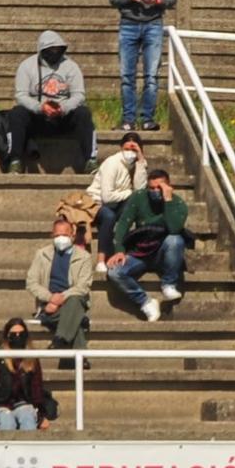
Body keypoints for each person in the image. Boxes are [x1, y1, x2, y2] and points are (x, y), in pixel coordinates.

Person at [3, 31, 97, 174]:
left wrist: (64, 107)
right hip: (38, 117)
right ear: (42, 50)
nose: (54, 53)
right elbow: (21, 95)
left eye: (58, 49)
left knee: (84, 113)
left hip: (63, 117)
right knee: (17, 113)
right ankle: (15, 161)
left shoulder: (71, 66)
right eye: (50, 50)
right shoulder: (26, 66)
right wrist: (40, 107)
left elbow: (79, 94)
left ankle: (90, 161)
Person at [109, 0, 176, 132]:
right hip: (128, 24)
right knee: (127, 76)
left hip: (153, 24)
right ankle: (128, 120)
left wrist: (157, 1)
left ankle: (148, 119)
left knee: (151, 76)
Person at [108, 168, 186, 321]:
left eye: (160, 187)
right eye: (152, 188)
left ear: (169, 186)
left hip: (164, 252)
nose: (155, 191)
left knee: (175, 240)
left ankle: (169, 284)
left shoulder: (178, 204)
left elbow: (174, 228)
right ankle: (146, 302)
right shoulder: (138, 197)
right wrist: (119, 250)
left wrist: (168, 200)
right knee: (114, 272)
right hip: (141, 251)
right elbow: (123, 223)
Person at [26, 217, 95, 356]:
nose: (61, 238)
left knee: (75, 300)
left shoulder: (84, 257)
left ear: (72, 235)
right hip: (49, 306)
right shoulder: (42, 254)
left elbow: (83, 286)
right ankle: (80, 360)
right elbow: (31, 282)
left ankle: (60, 339)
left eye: (64, 235)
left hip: (71, 301)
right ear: (52, 236)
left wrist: (61, 299)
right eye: (57, 235)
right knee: (77, 319)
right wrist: (50, 298)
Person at [0, 319, 54, 430]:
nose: (18, 337)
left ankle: (28, 446)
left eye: (21, 334)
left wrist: (42, 415)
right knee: (7, 419)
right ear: (7, 336)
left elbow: (36, 389)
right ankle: (5, 446)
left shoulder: (31, 358)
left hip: (23, 404)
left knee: (27, 416)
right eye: (14, 334)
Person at [87, 131, 148, 273]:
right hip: (97, 203)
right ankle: (101, 260)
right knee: (109, 216)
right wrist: (129, 193)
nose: (130, 152)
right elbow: (107, 197)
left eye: (134, 149)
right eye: (127, 149)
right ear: (121, 148)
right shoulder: (112, 163)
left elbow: (140, 189)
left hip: (117, 204)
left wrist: (140, 162)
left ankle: (128, 250)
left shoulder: (135, 165)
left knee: (136, 203)